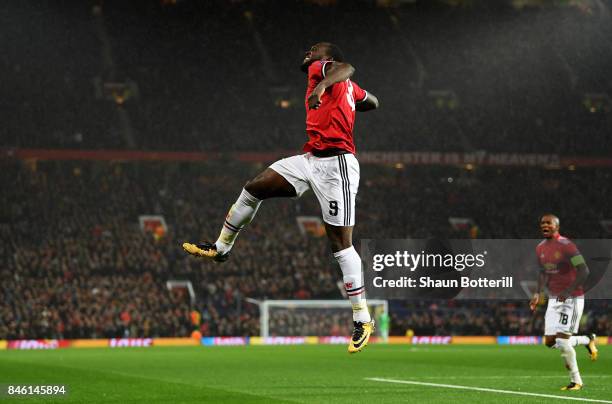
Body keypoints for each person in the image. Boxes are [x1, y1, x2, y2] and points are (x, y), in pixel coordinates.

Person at [183, 42, 380, 353]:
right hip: (310, 159)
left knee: (341, 245)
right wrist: (353, 99)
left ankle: (362, 318)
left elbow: (347, 68)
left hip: (337, 165)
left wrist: (324, 87)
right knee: (254, 187)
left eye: (314, 49)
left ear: (327, 59)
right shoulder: (347, 86)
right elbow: (374, 101)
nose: (308, 51)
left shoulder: (325, 70)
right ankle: (221, 248)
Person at [529, 214, 598, 391]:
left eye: (548, 223)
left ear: (556, 226)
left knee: (563, 342)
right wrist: (537, 293)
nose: (544, 225)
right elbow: (542, 272)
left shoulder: (567, 246)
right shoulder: (540, 248)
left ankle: (576, 381)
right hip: (554, 298)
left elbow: (584, 270)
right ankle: (587, 339)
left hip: (571, 298)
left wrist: (567, 292)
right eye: (542, 222)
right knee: (550, 341)